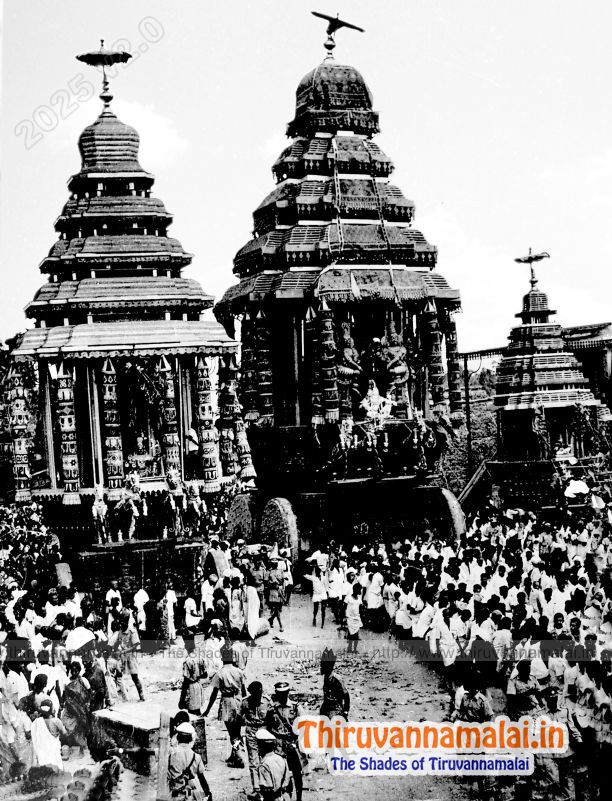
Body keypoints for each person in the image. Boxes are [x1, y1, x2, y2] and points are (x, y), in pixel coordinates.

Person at [203, 645, 246, 768]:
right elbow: (243, 691)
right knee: (237, 730)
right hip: (238, 700)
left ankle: (238, 758)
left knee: (232, 733)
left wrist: (207, 710)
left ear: (222, 658)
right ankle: (235, 755)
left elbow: (214, 694)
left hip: (227, 702)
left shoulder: (220, 673)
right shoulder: (239, 671)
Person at [264, 682, 305, 801]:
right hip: (278, 746)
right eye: (279, 693)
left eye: (284, 693)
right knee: (282, 775)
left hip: (292, 744)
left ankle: (299, 798)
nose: (282, 696)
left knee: (297, 773)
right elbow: (268, 727)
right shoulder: (272, 709)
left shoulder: (295, 707)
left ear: (288, 693)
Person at [238, 681, 272, 799]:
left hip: (264, 731)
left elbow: (272, 718)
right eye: (255, 694)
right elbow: (239, 718)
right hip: (251, 731)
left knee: (265, 759)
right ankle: (256, 788)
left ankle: (266, 785)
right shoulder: (245, 702)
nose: (258, 696)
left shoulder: (267, 702)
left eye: (259, 693)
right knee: (253, 761)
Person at [168, 721, 212, 801]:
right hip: (189, 795)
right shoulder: (196, 757)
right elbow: (201, 778)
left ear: (177, 737)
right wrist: (208, 793)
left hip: (172, 794)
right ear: (191, 738)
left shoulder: (171, 753)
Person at [60, 661, 91, 754]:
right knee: (67, 726)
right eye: (72, 671)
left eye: (76, 671)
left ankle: (81, 748)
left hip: (80, 709)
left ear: (79, 671)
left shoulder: (83, 681)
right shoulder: (67, 681)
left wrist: (87, 704)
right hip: (70, 709)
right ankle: (71, 746)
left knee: (80, 728)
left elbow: (89, 692)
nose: (74, 673)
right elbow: (64, 695)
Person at [255, 728, 292, 801]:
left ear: (261, 747)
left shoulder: (264, 765)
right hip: (283, 797)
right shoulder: (281, 759)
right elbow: (289, 782)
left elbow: (267, 790)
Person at [30, 697, 66, 771]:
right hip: (53, 753)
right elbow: (65, 733)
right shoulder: (56, 721)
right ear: (51, 709)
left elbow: (34, 739)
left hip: (42, 756)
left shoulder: (36, 722)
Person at [319, 648, 350, 720]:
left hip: (336, 710)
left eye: (323, 665)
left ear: (329, 666)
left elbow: (346, 696)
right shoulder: (326, 677)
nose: (321, 667)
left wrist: (345, 712)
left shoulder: (337, 679)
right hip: (325, 709)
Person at [266, 559, 285, 632]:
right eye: (274, 563)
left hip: (279, 591)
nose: (275, 564)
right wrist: (273, 585)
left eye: (276, 563)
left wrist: (283, 590)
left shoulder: (280, 570)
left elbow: (283, 581)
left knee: (278, 608)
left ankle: (271, 619)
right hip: (273, 591)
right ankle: (281, 625)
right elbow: (266, 583)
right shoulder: (269, 572)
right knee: (277, 609)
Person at [345, 584, 363, 654]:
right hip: (350, 617)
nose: (360, 591)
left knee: (356, 633)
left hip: (357, 618)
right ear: (355, 590)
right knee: (351, 633)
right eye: (359, 590)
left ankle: (355, 648)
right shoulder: (348, 598)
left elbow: (360, 608)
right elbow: (344, 606)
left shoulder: (359, 599)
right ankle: (349, 647)